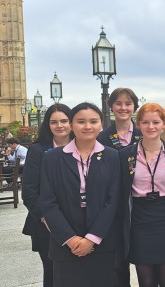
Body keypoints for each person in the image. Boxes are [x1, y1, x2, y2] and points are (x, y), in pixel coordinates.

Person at [39, 102, 120, 286]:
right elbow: (48, 201)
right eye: (81, 121)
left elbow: (113, 200)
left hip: (101, 240)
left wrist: (92, 238)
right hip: (66, 240)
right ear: (72, 125)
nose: (87, 126)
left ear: (101, 124)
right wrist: (70, 238)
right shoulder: (53, 158)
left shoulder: (112, 156)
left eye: (93, 121)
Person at [118, 103, 165, 287]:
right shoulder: (125, 155)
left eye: (156, 122)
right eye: (145, 122)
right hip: (140, 220)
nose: (151, 127)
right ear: (138, 124)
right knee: (145, 279)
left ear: (164, 124)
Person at [22, 103, 72, 287]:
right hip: (45, 225)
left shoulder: (82, 146)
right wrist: (46, 217)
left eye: (64, 121)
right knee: (52, 272)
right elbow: (29, 191)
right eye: (54, 122)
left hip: (76, 222)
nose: (60, 125)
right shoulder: (38, 150)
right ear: (48, 125)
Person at [96, 87, 141, 287]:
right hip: (113, 206)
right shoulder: (102, 137)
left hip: (141, 206)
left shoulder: (145, 133)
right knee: (117, 263)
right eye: (119, 103)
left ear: (134, 107)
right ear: (111, 106)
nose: (123, 107)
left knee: (145, 260)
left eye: (128, 103)